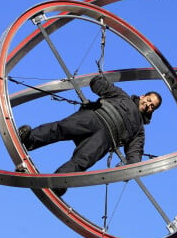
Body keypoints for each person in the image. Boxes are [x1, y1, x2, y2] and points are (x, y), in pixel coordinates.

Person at [18, 74, 162, 196]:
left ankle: (60, 181)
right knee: (61, 128)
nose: (149, 105)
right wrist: (99, 82)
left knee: (83, 160)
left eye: (152, 107)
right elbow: (100, 85)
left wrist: (127, 168)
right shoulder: (122, 96)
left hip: (105, 138)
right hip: (93, 117)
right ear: (143, 96)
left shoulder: (139, 130)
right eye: (149, 101)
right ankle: (30, 139)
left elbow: (135, 153)